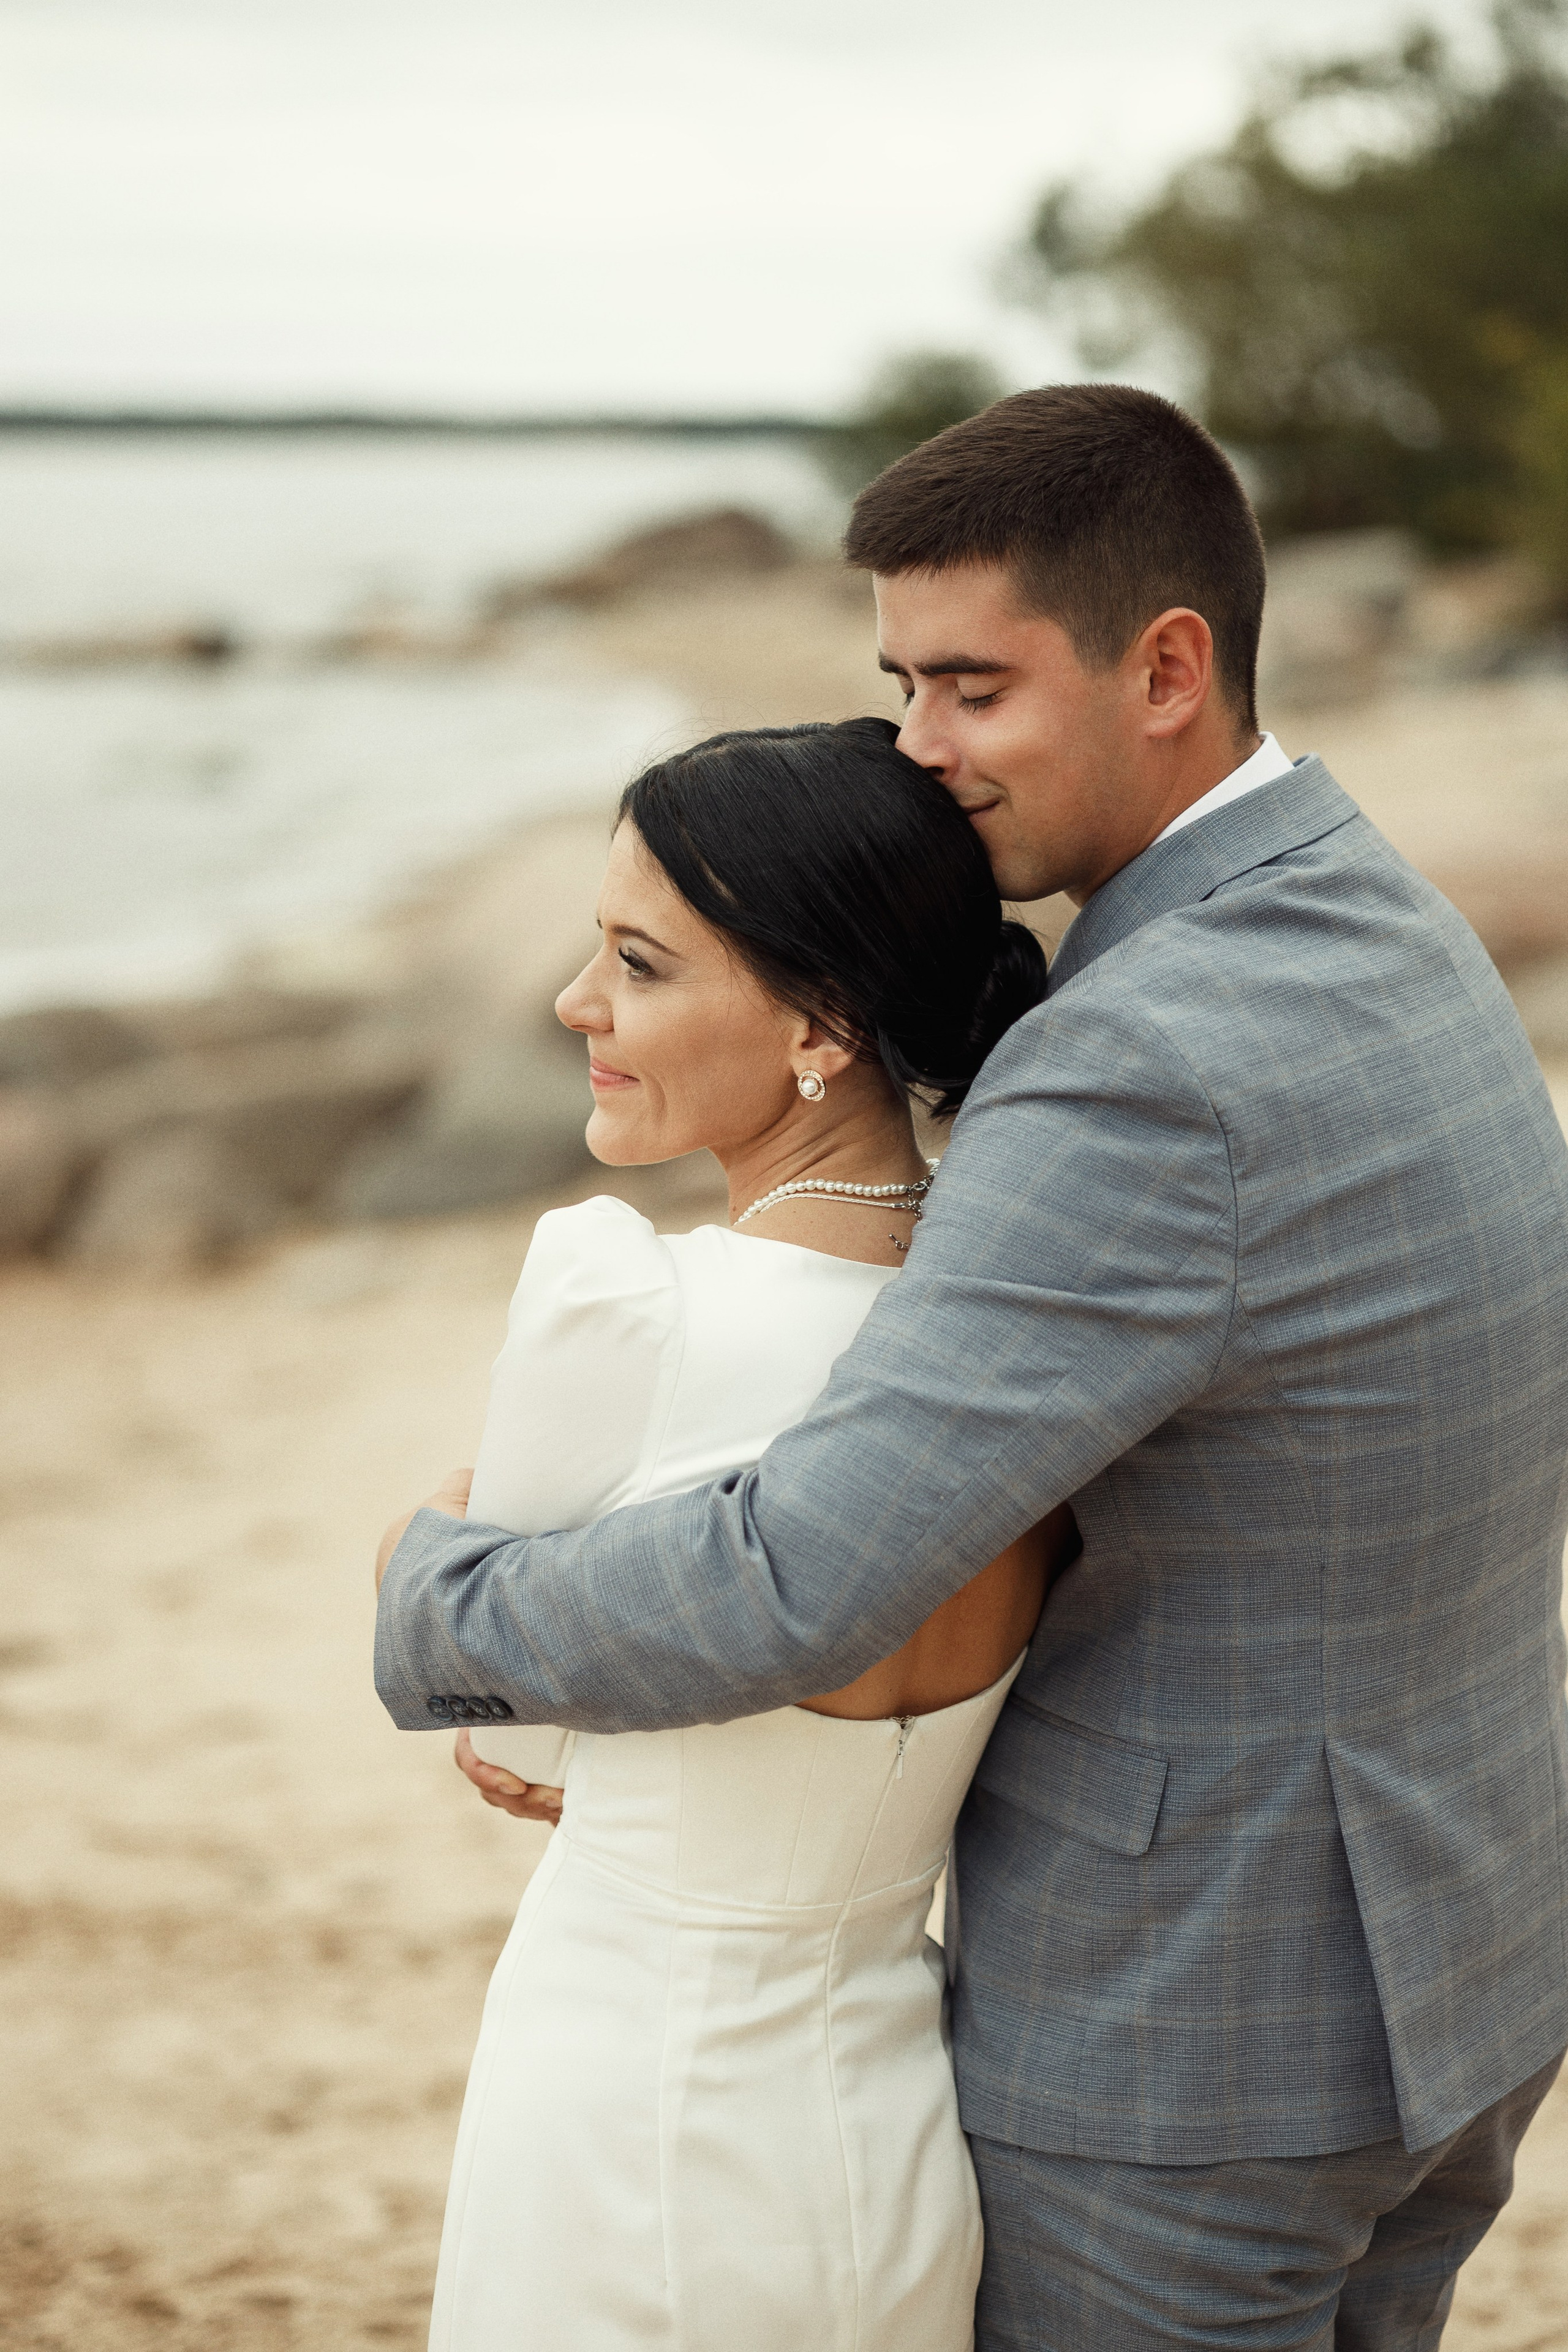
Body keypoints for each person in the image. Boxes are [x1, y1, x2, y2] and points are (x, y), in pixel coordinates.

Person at [377, 385, 1568, 2350]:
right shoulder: (1381, 915)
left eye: (972, 688)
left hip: (1203, 2048)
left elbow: (800, 1574)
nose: (920, 748)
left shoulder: (1141, 1057)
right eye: (900, 686)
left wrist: (449, 1606)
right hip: (1460, 1953)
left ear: (1166, 668)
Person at [381, 716, 1065, 2350]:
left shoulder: (635, 1305)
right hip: (887, 2119)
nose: (577, 1004)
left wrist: (431, 1538)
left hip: (628, 2100)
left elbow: (515, 1729)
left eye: (638, 963)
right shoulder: (1022, 1332)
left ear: (821, 1021)